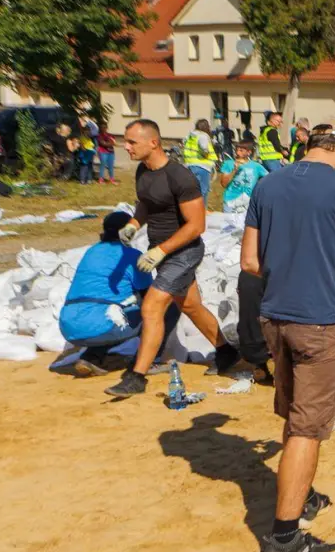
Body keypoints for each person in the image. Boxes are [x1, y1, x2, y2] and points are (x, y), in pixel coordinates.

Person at [240, 132, 335, 552]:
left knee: (296, 413)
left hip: (275, 315)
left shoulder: (267, 183)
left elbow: (250, 262)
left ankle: (304, 494)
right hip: (321, 320)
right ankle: (283, 539)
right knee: (307, 428)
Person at [105, 120, 240, 398]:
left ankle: (137, 376)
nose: (125, 146)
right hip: (163, 250)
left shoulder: (180, 176)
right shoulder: (144, 171)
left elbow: (196, 225)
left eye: (131, 141)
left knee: (152, 306)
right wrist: (134, 223)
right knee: (189, 305)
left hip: (184, 251)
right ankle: (226, 351)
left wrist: (161, 251)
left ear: (153, 142)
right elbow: (147, 201)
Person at [58, 211, 178, 377]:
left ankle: (90, 357)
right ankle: (150, 361)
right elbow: (149, 297)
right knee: (164, 307)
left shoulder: (92, 251)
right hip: (99, 325)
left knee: (108, 313)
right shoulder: (131, 256)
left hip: (68, 324)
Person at [215, 140, 268, 214]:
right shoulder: (229, 164)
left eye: (241, 150)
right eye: (236, 150)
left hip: (248, 202)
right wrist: (234, 170)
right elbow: (224, 184)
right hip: (230, 201)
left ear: (249, 152)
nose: (237, 153)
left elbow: (269, 179)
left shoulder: (256, 166)